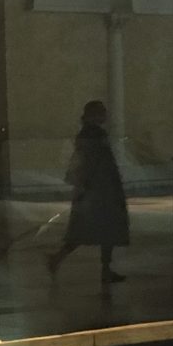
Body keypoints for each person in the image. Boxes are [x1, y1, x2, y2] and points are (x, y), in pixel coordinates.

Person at [48, 99, 129, 285]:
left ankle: (59, 259)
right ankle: (101, 268)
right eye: (102, 112)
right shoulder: (94, 135)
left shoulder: (87, 134)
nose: (105, 115)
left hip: (95, 189)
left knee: (86, 230)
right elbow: (96, 163)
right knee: (103, 229)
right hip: (100, 191)